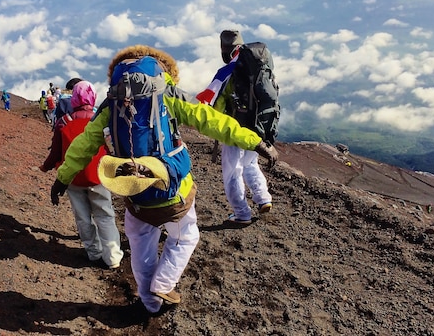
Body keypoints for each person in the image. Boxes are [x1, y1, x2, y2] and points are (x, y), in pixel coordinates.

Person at [50, 45, 277, 315]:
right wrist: (255, 142)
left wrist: (62, 178)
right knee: (186, 236)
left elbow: (84, 144)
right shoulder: (166, 92)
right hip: (173, 191)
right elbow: (211, 120)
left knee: (141, 248)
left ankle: (150, 302)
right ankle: (164, 282)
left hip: (135, 194)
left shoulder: (111, 102)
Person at [39, 81, 123, 269]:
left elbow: (56, 151)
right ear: (93, 97)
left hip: (73, 179)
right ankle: (113, 258)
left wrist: (46, 167)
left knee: (83, 217)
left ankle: (93, 253)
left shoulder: (63, 122)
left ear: (74, 98)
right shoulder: (101, 120)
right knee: (105, 215)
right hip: (99, 176)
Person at [197, 30, 275, 225]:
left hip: (236, 129)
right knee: (250, 163)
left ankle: (241, 214)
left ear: (224, 49)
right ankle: (263, 198)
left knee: (232, 171)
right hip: (257, 126)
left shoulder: (229, 71)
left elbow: (213, 103)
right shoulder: (257, 63)